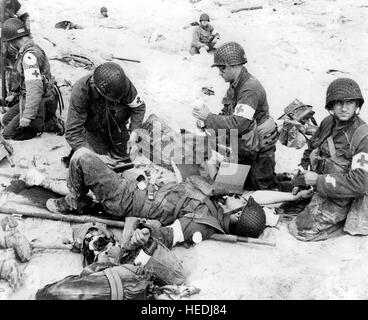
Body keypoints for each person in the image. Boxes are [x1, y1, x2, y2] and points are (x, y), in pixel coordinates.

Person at [44, 148, 295, 249]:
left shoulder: (204, 223)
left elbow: (169, 235)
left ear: (237, 215)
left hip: (126, 199)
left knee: (82, 156)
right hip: (140, 185)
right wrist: (291, 197)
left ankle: (75, 203)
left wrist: (143, 235)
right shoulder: (218, 202)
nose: (239, 199)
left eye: (241, 204)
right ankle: (84, 194)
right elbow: (255, 196)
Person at [288, 78, 368, 241]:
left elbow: (360, 183)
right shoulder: (328, 122)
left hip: (346, 195)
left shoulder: (362, 136)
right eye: (338, 103)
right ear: (331, 105)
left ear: (356, 105)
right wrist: (302, 175)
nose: (344, 108)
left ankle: (346, 220)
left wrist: (318, 180)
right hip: (325, 185)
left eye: (350, 102)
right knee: (287, 198)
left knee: (301, 230)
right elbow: (311, 148)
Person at [192, 41, 279, 191]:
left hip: (258, 148)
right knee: (230, 187)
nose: (220, 72)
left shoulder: (249, 89)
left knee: (263, 189)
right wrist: (207, 123)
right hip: (244, 145)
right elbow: (228, 114)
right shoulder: (235, 85)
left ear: (233, 65)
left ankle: (297, 191)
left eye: (222, 68)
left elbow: (239, 123)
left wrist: (209, 118)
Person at [65, 62, 146, 166]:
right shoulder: (81, 91)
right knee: (99, 163)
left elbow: (139, 107)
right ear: (97, 89)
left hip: (116, 124)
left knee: (126, 157)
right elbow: (72, 133)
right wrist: (95, 156)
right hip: (92, 129)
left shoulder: (122, 84)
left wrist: (134, 133)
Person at [1, 18, 59, 140]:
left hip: (41, 101)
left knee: (9, 134)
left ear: (13, 41)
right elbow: (25, 80)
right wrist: (15, 94)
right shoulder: (31, 48)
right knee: (6, 120)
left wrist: (28, 116)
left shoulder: (29, 57)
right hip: (29, 97)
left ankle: (48, 125)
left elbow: (35, 88)